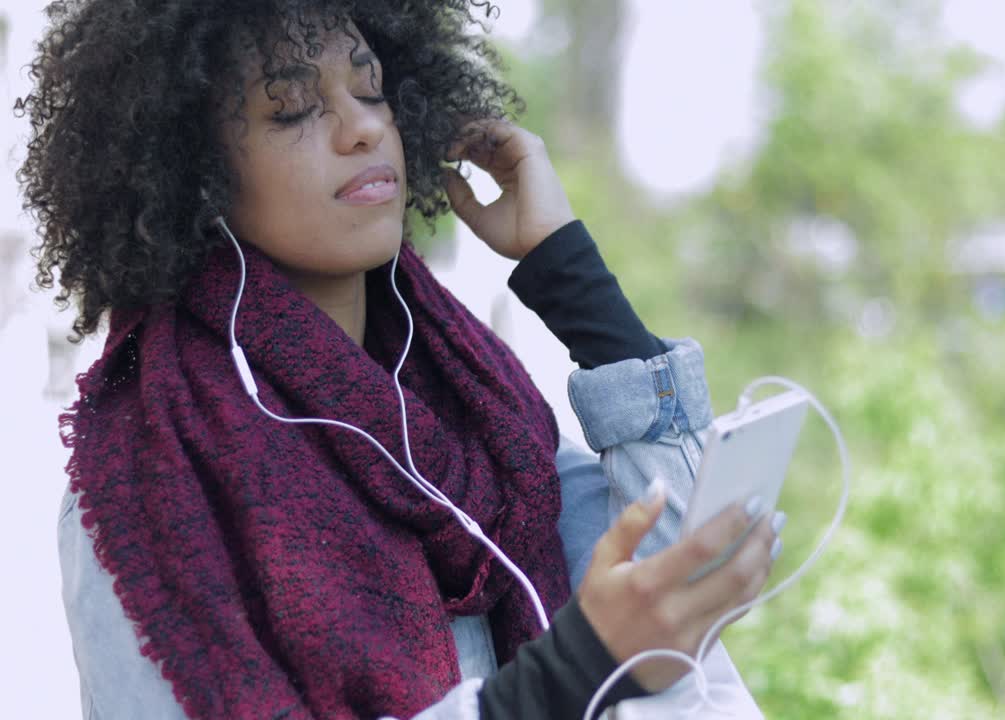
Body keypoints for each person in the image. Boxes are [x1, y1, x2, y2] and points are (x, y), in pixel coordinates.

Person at [17, 1, 785, 718]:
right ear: (190, 168)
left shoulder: (475, 402)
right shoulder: (149, 478)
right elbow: (607, 654)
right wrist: (569, 672)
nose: (361, 130)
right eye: (292, 106)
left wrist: (570, 275)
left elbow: (685, 579)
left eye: (372, 90)